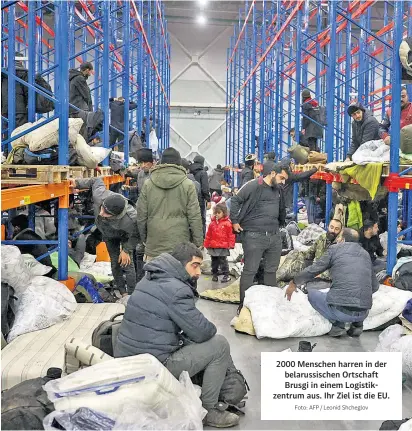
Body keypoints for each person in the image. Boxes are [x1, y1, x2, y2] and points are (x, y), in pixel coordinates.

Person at [114, 242, 241, 428]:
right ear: (180, 264)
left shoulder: (149, 277)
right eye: (194, 266)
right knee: (219, 345)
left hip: (127, 359)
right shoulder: (177, 290)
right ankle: (209, 410)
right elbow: (203, 331)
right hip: (153, 367)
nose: (198, 272)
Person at [286, 228, 379, 337]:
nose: (337, 239)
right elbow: (375, 286)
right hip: (364, 312)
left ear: (343, 240)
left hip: (340, 311)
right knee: (343, 297)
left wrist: (294, 282)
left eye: (339, 237)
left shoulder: (335, 249)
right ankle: (357, 325)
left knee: (312, 294)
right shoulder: (365, 254)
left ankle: (337, 325)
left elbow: (314, 269)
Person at [230, 161, 289, 311]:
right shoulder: (253, 185)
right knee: (250, 270)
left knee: (271, 271)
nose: (283, 182)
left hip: (274, 236)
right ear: (273, 174)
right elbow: (235, 200)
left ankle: (269, 306)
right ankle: (244, 306)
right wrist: (235, 221)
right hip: (254, 236)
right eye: (282, 178)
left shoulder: (278, 190)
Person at [71, 177, 139, 296]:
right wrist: (77, 183)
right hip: (108, 233)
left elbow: (138, 234)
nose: (101, 214)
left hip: (126, 235)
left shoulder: (131, 218)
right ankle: (123, 293)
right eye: (102, 209)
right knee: (114, 262)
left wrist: (126, 250)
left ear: (117, 216)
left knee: (127, 263)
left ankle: (132, 295)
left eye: (106, 213)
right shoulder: (100, 196)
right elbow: (96, 181)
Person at [137, 148, 203, 260]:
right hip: (180, 245)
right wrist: (198, 241)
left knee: (155, 275)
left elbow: (141, 215)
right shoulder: (188, 184)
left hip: (154, 243)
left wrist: (145, 239)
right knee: (178, 275)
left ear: (161, 162)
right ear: (179, 163)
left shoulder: (148, 184)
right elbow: (194, 216)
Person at [276, 219, 343, 286]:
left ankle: (282, 282)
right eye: (331, 227)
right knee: (294, 255)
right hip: (312, 269)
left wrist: (320, 274)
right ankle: (277, 278)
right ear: (328, 227)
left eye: (336, 229)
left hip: (323, 276)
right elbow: (309, 253)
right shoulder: (322, 238)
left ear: (340, 231)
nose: (333, 231)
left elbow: (339, 271)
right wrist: (296, 255)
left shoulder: (340, 246)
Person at [204, 203, 235, 283]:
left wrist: (231, 244)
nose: (217, 214)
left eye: (219, 213)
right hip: (213, 246)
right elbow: (208, 235)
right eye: (216, 213)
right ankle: (215, 274)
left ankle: (226, 274)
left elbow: (231, 235)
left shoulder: (227, 224)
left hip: (223, 246)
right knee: (214, 261)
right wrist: (206, 243)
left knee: (223, 261)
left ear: (224, 213)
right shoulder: (212, 224)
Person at [189, 155, 211, 235]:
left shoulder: (189, 171)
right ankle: (201, 238)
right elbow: (205, 188)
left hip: (189, 198)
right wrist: (208, 199)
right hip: (200, 200)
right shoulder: (203, 173)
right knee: (201, 219)